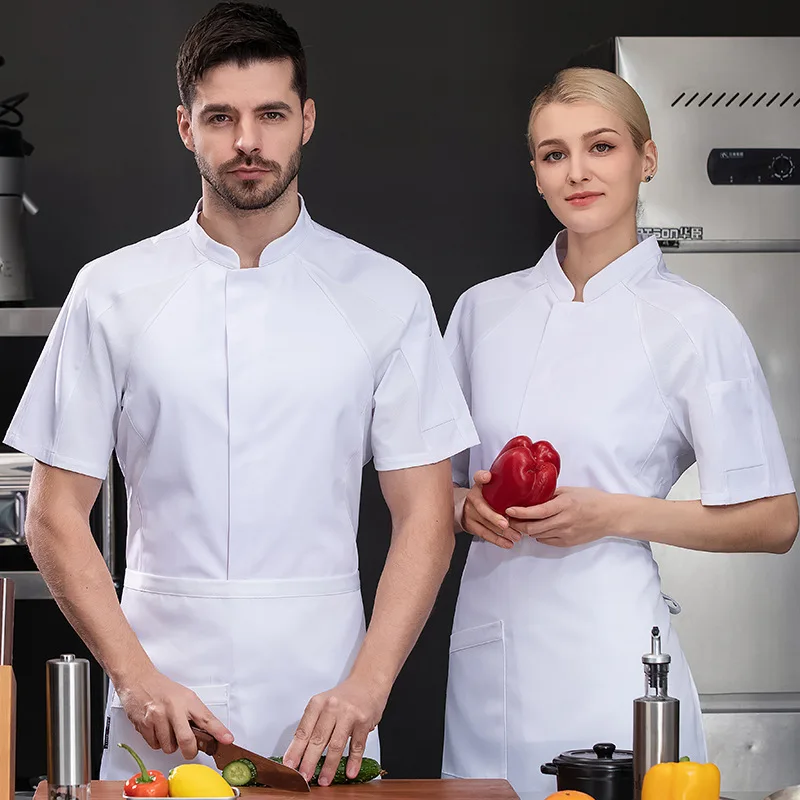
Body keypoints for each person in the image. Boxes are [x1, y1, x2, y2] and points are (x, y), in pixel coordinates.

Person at [4, 2, 478, 787]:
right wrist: (134, 676)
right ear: (186, 125)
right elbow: (53, 515)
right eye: (221, 116)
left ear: (307, 121)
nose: (247, 141)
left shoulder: (386, 294)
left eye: (270, 114)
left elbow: (426, 515)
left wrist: (368, 686)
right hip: (161, 700)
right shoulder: (112, 291)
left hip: (327, 704)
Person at [440, 66, 798, 800]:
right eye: (553, 154)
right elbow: (430, 490)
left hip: (613, 661)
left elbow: (775, 519)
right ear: (536, 173)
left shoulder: (693, 324)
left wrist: (612, 515)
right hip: (493, 656)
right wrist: (460, 508)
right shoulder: (482, 312)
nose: (577, 172)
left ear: (647, 159)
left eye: (600, 147)